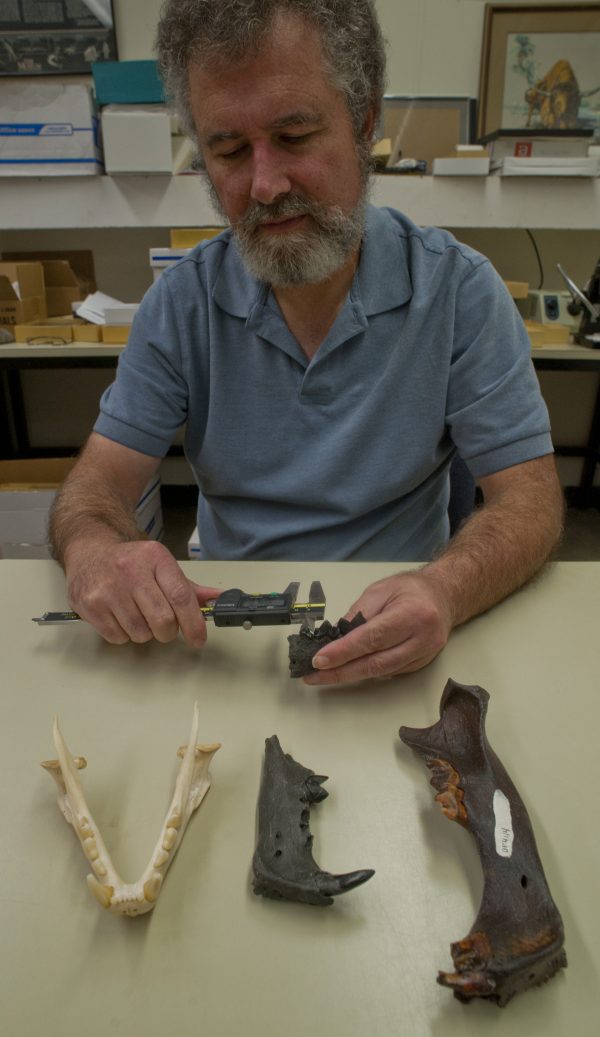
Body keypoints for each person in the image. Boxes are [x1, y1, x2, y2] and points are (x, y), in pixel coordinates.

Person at [49, 0, 564, 684]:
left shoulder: (460, 292)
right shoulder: (180, 305)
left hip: (406, 629)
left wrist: (444, 588)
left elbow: (531, 501)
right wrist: (92, 550)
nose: (265, 184)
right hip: (229, 645)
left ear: (364, 121)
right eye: (228, 150)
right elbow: (94, 488)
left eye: (294, 137)